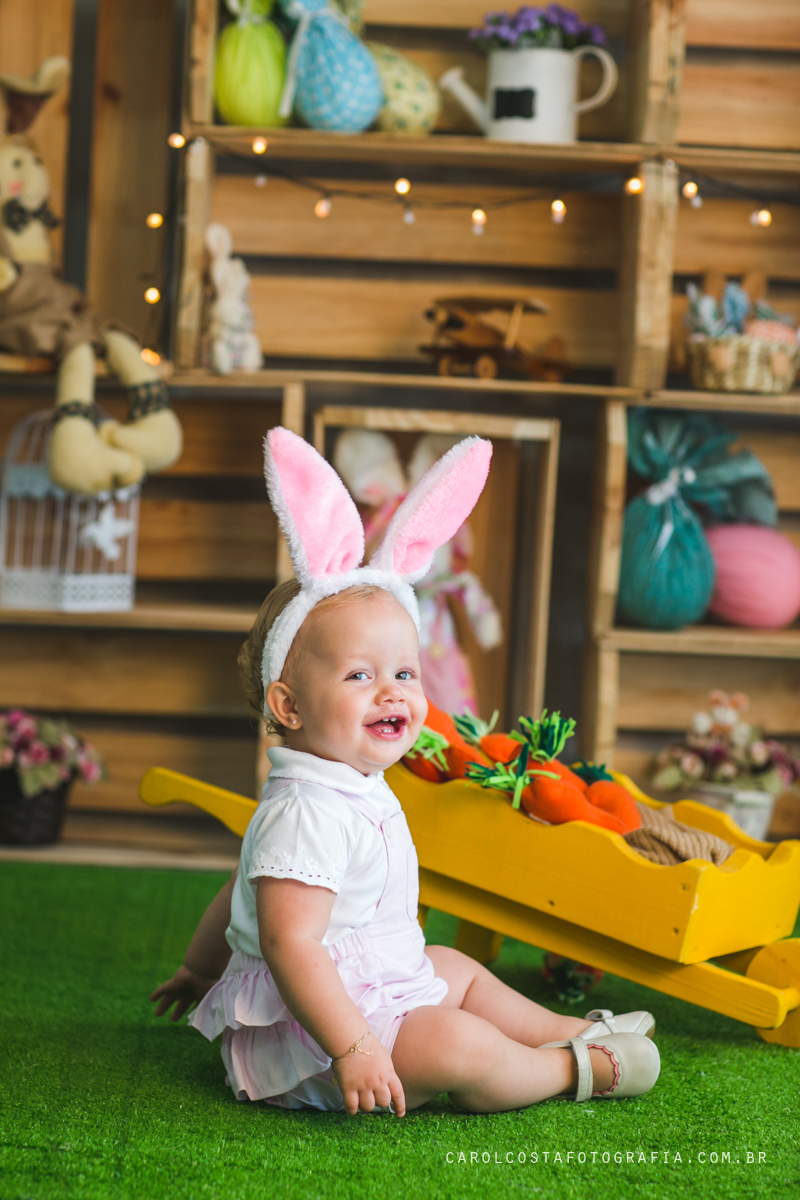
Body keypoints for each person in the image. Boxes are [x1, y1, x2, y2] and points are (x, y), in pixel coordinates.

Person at [151, 428, 660, 1117]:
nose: (393, 691)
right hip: (323, 1042)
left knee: (457, 972)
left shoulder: (347, 781)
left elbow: (239, 889)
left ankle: (570, 1030)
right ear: (289, 704)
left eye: (404, 673)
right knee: (457, 1042)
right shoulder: (308, 809)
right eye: (360, 675)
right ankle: (566, 1071)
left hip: (375, 988)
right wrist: (355, 1047)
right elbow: (287, 939)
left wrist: (200, 967)